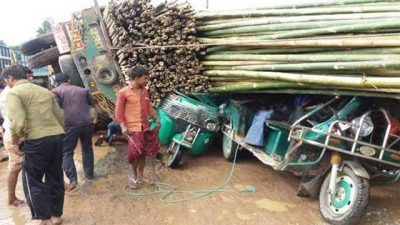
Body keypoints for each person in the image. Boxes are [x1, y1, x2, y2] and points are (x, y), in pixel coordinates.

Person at [1, 65, 65, 225]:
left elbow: (18, 122)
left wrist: (15, 142)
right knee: (55, 177)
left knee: (32, 180)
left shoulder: (14, 92)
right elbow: (60, 117)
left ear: (10, 78)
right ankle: (56, 216)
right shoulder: (45, 91)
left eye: (6, 80)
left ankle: (45, 219)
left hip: (35, 139)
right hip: (56, 137)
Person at [115, 65, 160, 189]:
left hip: (144, 126)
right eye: (145, 78)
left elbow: (148, 106)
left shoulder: (145, 91)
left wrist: (156, 118)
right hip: (132, 128)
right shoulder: (123, 92)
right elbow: (118, 112)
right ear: (136, 78)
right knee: (134, 153)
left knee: (143, 153)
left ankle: (140, 176)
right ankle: (133, 176)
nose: (147, 81)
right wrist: (123, 126)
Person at [52, 73, 96, 191]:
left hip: (69, 125)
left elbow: (56, 109)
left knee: (66, 152)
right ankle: (89, 174)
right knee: (87, 148)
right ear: (69, 80)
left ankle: (73, 180)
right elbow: (93, 104)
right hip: (87, 123)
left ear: (56, 82)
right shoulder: (83, 90)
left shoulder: (55, 92)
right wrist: (93, 118)